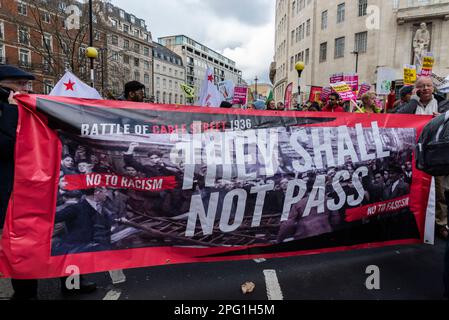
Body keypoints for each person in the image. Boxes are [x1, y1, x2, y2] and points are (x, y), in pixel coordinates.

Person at [0, 65, 96, 299]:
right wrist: (12, 113)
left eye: (27, 85)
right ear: (4, 87)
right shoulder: (9, 112)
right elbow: (8, 147)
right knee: (23, 244)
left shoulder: (30, 108)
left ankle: (72, 283)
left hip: (48, 185)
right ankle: (25, 294)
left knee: (68, 237)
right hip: (15, 191)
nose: (26, 89)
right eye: (20, 84)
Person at [397, 76, 449, 240]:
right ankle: (416, 219)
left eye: (429, 85)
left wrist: (441, 118)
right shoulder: (409, 105)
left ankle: (441, 223)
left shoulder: (443, 103)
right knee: (416, 186)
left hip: (436, 154)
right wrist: (413, 100)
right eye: (422, 86)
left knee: (440, 189)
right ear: (416, 89)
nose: (426, 88)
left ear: (433, 88)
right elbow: (398, 118)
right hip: (414, 153)